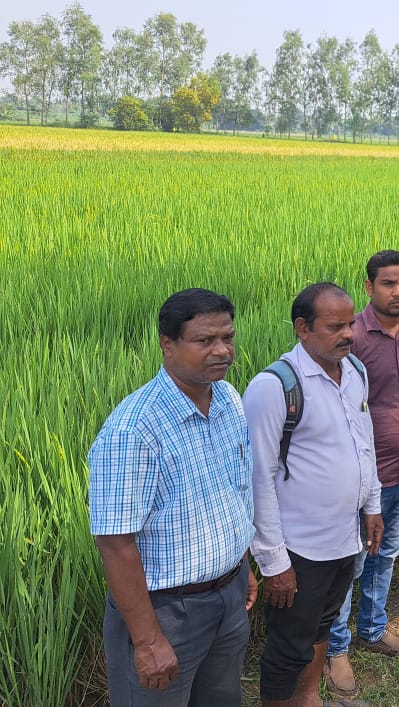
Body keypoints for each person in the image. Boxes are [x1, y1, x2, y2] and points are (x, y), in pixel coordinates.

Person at [88, 288, 258, 705]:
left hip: (229, 594)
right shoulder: (133, 431)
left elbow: (233, 494)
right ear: (168, 343)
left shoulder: (229, 400)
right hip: (167, 612)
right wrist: (147, 641)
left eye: (227, 338)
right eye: (204, 341)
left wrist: (243, 564)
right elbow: (114, 542)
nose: (222, 351)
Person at [244, 283, 383, 707]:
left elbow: (365, 442)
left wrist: (372, 505)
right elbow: (258, 477)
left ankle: (310, 699)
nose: (348, 334)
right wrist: (273, 560)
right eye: (335, 326)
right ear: (302, 328)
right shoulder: (275, 387)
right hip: (299, 547)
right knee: (289, 644)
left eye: (351, 324)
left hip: (343, 536)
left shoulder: (354, 370)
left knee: (322, 625)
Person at [323, 252, 399, 696]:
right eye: (389, 284)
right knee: (351, 562)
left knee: (386, 553)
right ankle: (336, 648)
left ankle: (373, 627)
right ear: (369, 287)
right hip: (365, 477)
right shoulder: (355, 339)